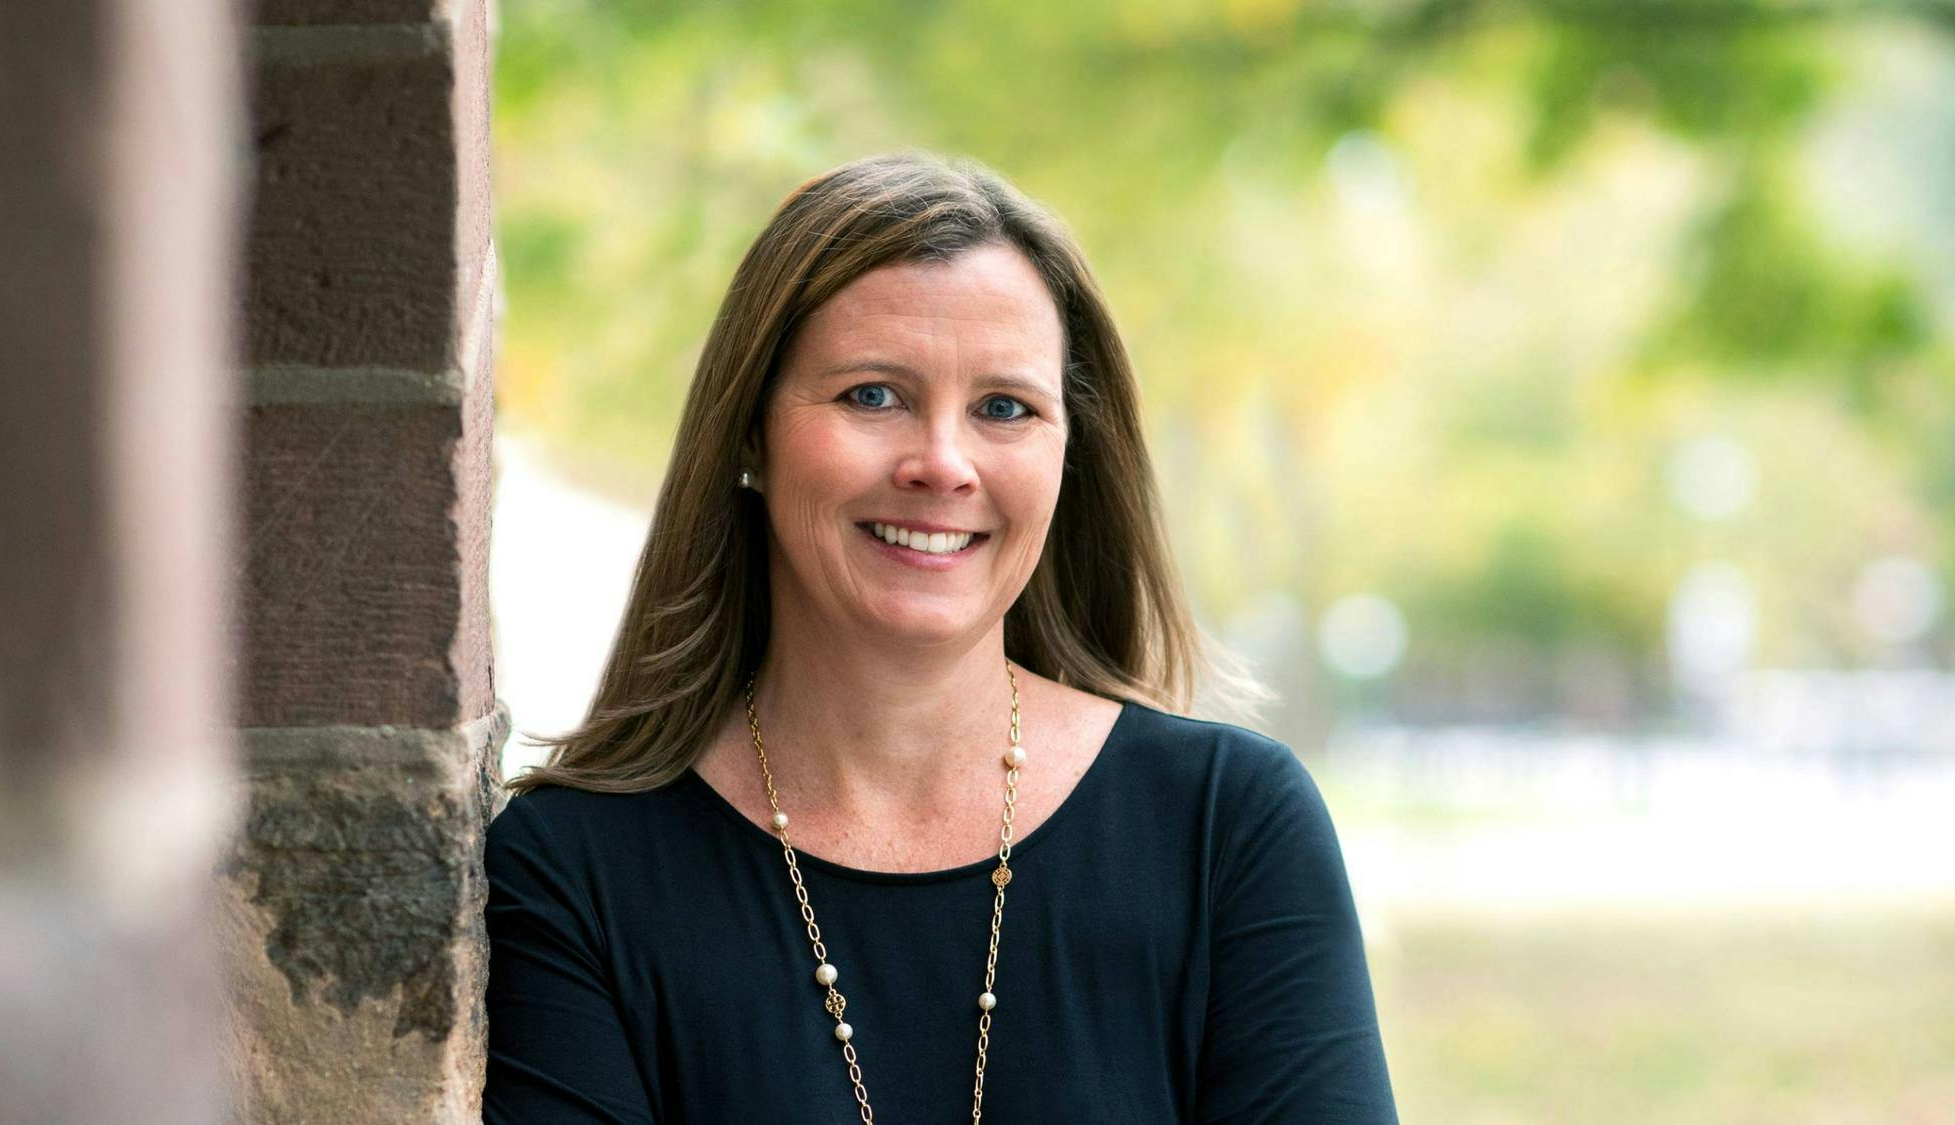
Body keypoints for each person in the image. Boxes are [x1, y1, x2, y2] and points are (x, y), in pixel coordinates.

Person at [482, 151, 1401, 1124]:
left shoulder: (1227, 830)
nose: (941, 463)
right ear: (749, 432)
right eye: (871, 395)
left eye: (1003, 408)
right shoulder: (568, 874)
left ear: (1067, 457)